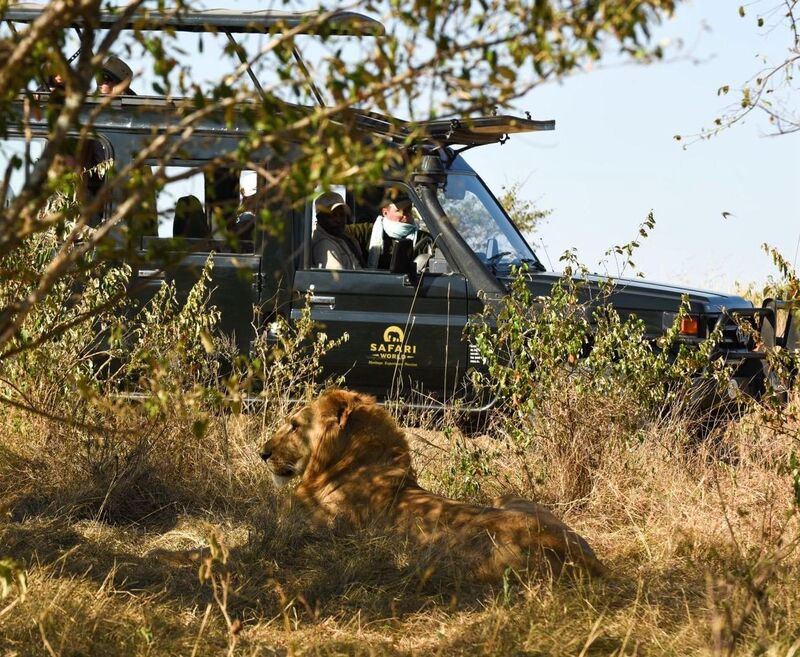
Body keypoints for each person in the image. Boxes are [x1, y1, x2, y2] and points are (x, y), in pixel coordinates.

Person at [366, 189, 426, 269]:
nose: (405, 215)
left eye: (408, 210)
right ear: (385, 213)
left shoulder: (423, 239)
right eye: (400, 211)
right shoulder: (367, 231)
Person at [311, 191, 364, 270]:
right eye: (332, 216)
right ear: (320, 218)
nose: (338, 220)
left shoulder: (343, 236)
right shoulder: (325, 245)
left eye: (342, 215)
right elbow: (337, 280)